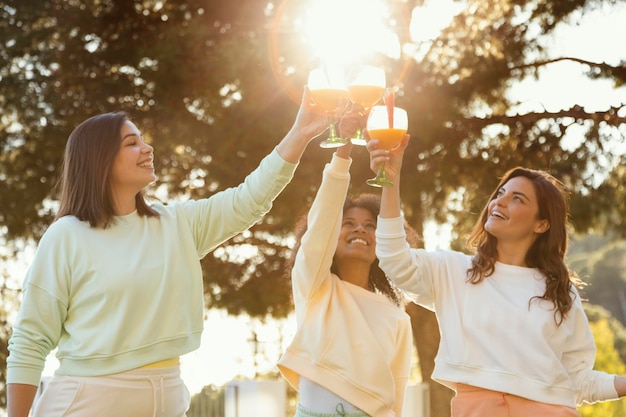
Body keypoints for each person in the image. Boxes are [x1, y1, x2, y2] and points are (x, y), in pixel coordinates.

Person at [6, 87, 329, 417]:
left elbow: (250, 199)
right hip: (88, 401)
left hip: (169, 397)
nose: (148, 148)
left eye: (143, 139)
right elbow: (30, 341)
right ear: (99, 159)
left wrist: (300, 134)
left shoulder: (177, 224)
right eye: (132, 143)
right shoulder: (67, 236)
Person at [365, 134, 626, 416]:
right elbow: (392, 257)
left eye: (517, 199)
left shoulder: (561, 293)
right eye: (500, 194)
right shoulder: (452, 271)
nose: (499, 202)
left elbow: (578, 381)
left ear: (541, 224)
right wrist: (390, 180)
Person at [277, 113, 419, 417]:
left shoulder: (396, 317)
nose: (360, 230)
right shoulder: (315, 289)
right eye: (349, 223)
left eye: (370, 225)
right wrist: (343, 152)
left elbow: (397, 395)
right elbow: (319, 231)